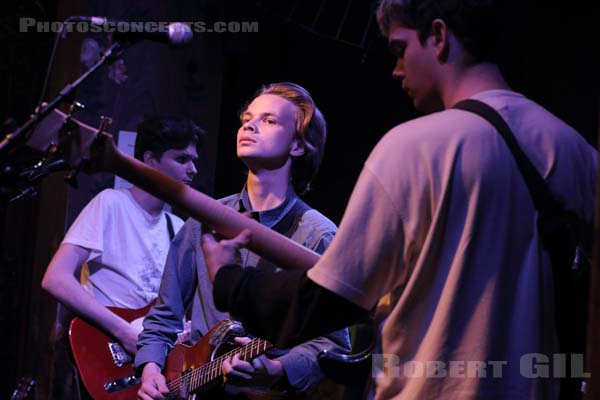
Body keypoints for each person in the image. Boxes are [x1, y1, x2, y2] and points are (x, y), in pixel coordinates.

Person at [200, 1, 598, 399]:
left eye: (399, 49)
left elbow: (325, 303)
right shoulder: (577, 153)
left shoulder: (414, 148)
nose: (396, 69)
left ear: (439, 37)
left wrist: (229, 279)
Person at [135, 82, 351, 399]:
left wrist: (277, 370)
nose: (249, 124)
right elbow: (165, 314)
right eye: (247, 118)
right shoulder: (203, 219)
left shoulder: (318, 234)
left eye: (269, 120)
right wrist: (150, 367)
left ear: (297, 146)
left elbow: (333, 342)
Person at [41, 116, 204, 399]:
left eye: (194, 160)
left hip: (152, 361)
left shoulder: (178, 228)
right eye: (182, 159)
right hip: (110, 348)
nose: (192, 170)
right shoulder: (111, 204)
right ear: (150, 160)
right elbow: (55, 278)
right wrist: (125, 332)